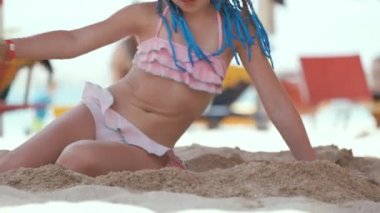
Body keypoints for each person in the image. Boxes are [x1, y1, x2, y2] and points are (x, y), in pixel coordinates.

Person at [0, 0, 316, 177]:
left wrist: (312, 166)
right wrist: (10, 49)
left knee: (75, 157)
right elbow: (74, 41)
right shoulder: (148, 15)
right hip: (99, 112)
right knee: (10, 167)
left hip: (147, 147)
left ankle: (160, 164)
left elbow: (276, 104)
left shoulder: (235, 29)